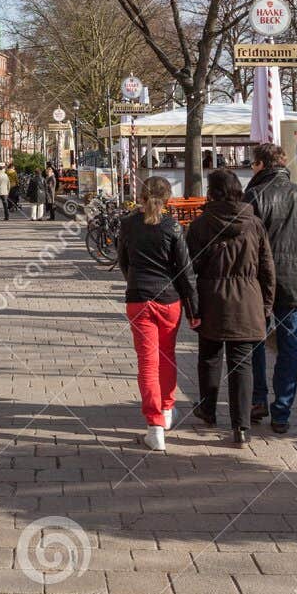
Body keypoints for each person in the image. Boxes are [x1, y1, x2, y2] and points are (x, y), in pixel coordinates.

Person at [185, 169, 275, 445]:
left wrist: (192, 306)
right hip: (248, 298)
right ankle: (242, 426)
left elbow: (190, 268)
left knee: (210, 357)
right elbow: (267, 268)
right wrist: (267, 304)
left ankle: (208, 409)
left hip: (211, 298)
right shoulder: (254, 223)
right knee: (242, 364)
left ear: (212, 192)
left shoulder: (200, 225)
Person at [244, 142, 297, 435]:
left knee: (254, 341)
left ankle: (257, 399)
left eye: (253, 164)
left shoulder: (254, 195)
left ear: (261, 164)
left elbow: (246, 244)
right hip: (296, 282)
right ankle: (282, 410)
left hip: (258, 284)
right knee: (290, 348)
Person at [116, 175, 198, 451]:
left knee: (147, 364)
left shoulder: (128, 224)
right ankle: (166, 409)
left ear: (140, 195)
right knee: (167, 357)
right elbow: (185, 271)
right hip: (169, 300)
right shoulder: (173, 227)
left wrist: (135, 281)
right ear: (168, 199)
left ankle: (154, 427)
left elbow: (123, 261)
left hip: (139, 299)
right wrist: (193, 307)